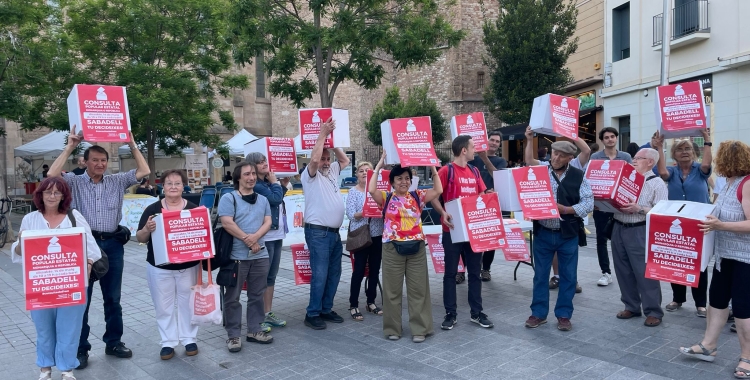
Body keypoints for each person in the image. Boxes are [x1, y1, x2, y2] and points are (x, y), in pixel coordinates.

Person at [47, 127, 150, 369]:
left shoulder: (116, 180)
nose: (100, 164)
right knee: (82, 299)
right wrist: (70, 146)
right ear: (85, 162)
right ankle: (81, 349)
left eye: (103, 160)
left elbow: (144, 171)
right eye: (95, 160)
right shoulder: (74, 181)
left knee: (113, 298)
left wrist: (132, 143)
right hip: (85, 245)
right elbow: (51, 176)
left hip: (113, 244)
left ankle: (113, 342)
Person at [11, 177, 101, 380]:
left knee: (69, 328)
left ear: (63, 196)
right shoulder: (30, 219)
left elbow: (92, 248)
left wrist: (87, 264)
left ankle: (66, 369)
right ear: (40, 194)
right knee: (43, 328)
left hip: (71, 283)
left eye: (57, 192)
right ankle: (45, 368)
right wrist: (21, 241)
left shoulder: (74, 216)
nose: (52, 196)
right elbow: (18, 253)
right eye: (48, 192)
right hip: (41, 285)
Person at [680, 141, 750, 378]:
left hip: (745, 258)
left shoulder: (747, 184)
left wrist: (720, 225)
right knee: (717, 302)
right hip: (724, 256)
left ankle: (747, 358)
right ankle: (708, 345)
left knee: (743, 309)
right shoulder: (728, 183)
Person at [522, 135, 594, 331]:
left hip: (567, 233)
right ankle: (538, 314)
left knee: (568, 276)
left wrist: (566, 209)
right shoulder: (540, 171)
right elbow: (527, 172)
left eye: (562, 156)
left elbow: (589, 203)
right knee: (540, 275)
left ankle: (563, 314)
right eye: (554, 154)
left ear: (571, 158)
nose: (556, 159)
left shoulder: (578, 175)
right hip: (543, 231)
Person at [369, 153, 442, 342]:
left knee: (419, 290)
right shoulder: (385, 197)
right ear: (392, 181)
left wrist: (431, 165)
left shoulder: (418, 196)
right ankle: (393, 329)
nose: (403, 181)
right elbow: (371, 190)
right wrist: (378, 166)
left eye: (407, 178)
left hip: (416, 248)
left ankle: (420, 329)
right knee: (392, 291)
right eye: (399, 178)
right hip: (392, 248)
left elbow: (438, 189)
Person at [430, 135, 498, 331]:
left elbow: (481, 195)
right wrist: (442, 212)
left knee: (475, 273)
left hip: (472, 230)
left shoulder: (475, 171)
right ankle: (450, 313)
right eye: (473, 147)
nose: (476, 150)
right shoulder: (446, 171)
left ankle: (477, 312)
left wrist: (490, 196)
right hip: (451, 230)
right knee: (450, 274)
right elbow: (434, 195)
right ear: (463, 150)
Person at [136, 170, 200, 360]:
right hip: (159, 267)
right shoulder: (152, 210)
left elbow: (202, 236)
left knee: (188, 304)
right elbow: (140, 237)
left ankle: (189, 339)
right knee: (163, 306)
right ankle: (168, 342)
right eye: (169, 183)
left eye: (177, 183)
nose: (173, 187)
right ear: (163, 186)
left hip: (189, 266)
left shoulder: (193, 209)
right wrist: (147, 228)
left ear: (183, 186)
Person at [653, 130, 712, 317]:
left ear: (694, 153)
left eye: (687, 149)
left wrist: (707, 140)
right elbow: (661, 172)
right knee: (676, 260)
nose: (684, 152)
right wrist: (659, 146)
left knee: (698, 264)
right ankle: (678, 299)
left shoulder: (701, 171)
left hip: (698, 223)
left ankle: (701, 304)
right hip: (677, 222)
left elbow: (707, 163)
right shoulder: (672, 171)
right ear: (674, 155)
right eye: (680, 149)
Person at [301, 117, 351, 330]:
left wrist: (333, 141)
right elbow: (313, 161)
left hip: (333, 233)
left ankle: (325, 308)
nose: (325, 162)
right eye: (323, 159)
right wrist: (322, 134)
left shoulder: (331, 171)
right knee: (320, 274)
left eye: (327, 159)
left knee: (333, 273)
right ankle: (312, 313)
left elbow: (345, 161)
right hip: (318, 233)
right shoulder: (309, 174)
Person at [218, 162, 273, 352]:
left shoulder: (263, 200)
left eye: (253, 174)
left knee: (257, 294)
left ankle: (254, 330)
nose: (251, 177)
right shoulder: (229, 198)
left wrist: (256, 238)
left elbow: (268, 222)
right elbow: (227, 223)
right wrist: (249, 240)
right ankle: (233, 335)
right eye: (247, 174)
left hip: (260, 254)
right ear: (238, 178)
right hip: (236, 257)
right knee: (232, 297)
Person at [611, 148, 668, 327]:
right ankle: (631, 306)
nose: (633, 160)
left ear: (650, 162)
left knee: (645, 272)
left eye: (638, 158)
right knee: (623, 270)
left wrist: (640, 209)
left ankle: (653, 311)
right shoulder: (625, 178)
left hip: (640, 229)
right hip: (618, 226)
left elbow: (662, 212)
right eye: (633, 157)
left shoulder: (657, 183)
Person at [244, 152, 290, 332]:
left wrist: (282, 186)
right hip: (266, 236)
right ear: (252, 166)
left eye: (265, 161)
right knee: (261, 278)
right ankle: (258, 316)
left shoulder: (267, 184)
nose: (265, 164)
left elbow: (276, 202)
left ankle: (267, 312)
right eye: (260, 162)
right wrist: (276, 183)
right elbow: (274, 198)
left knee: (271, 276)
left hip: (276, 235)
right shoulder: (259, 185)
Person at [587, 127, 632, 289]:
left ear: (616, 138)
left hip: (620, 205)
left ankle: (624, 270)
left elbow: (631, 178)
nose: (610, 139)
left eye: (612, 136)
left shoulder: (625, 157)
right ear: (602, 140)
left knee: (622, 239)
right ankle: (605, 272)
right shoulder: (596, 157)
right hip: (601, 205)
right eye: (606, 137)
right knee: (601, 239)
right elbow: (590, 179)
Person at [345, 161, 385, 321]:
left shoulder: (377, 191)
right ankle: (353, 304)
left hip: (377, 235)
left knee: (375, 270)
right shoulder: (353, 192)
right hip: (361, 235)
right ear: (357, 174)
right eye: (361, 171)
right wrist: (365, 212)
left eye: (367, 171)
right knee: (359, 271)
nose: (363, 173)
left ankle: (371, 301)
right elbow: (350, 214)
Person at [470, 130, 507, 282]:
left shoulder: (500, 161)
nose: (494, 143)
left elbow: (499, 178)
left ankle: (486, 269)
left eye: (497, 141)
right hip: (473, 203)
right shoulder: (473, 158)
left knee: (491, 238)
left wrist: (485, 158)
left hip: (491, 204)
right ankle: (463, 270)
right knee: (469, 238)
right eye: (491, 140)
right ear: (486, 140)